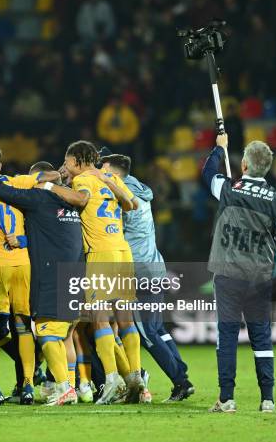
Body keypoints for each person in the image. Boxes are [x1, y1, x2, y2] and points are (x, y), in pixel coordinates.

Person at [0, 161, 84, 406]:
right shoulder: (70, 205)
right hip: (68, 271)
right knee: (60, 333)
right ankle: (63, 386)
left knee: (41, 329)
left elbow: (3, 192)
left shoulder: (36, 197)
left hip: (34, 270)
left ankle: (61, 388)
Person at [43, 140, 144, 404]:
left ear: (76, 161)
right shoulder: (109, 176)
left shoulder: (82, 180)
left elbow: (81, 199)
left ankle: (112, 380)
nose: (65, 167)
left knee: (99, 318)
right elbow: (133, 204)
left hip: (101, 252)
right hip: (123, 250)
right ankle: (135, 378)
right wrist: (110, 184)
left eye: (67, 163)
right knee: (125, 318)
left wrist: (50, 186)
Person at [101, 153, 193, 403]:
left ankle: (180, 382)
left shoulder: (120, 194)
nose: (100, 171)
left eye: (103, 167)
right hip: (155, 265)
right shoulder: (140, 189)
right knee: (157, 328)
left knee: (145, 332)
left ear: (112, 171)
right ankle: (182, 376)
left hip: (138, 271)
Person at [203, 133, 276, 414]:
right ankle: (268, 400)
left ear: (245, 165)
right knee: (261, 336)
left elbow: (207, 173)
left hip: (228, 273)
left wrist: (219, 148)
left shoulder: (228, 188)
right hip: (259, 276)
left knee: (227, 335)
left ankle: (226, 399)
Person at [0, 144, 57, 404]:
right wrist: (58, 175)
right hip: (22, 263)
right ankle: (29, 385)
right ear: (0, 164)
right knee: (23, 326)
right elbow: (47, 176)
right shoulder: (18, 181)